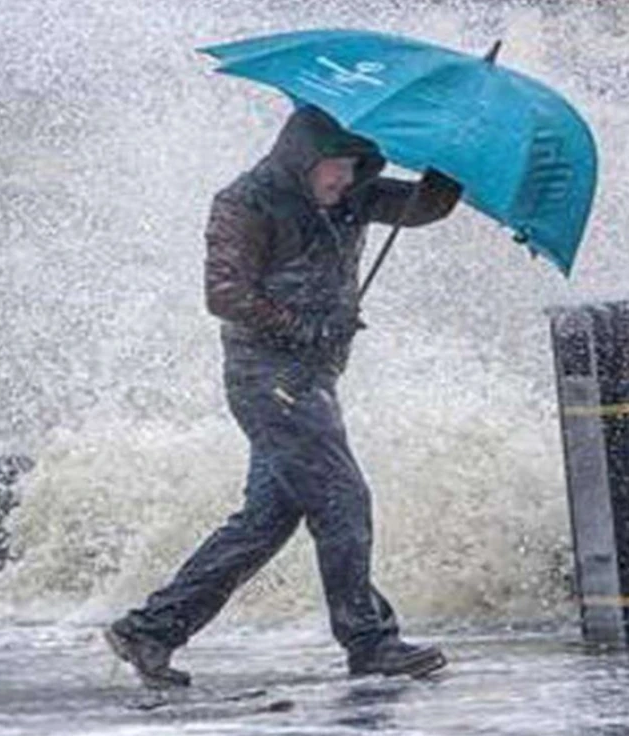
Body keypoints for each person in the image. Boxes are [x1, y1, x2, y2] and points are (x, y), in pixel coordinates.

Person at [104, 105, 462, 688]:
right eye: (336, 168)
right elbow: (223, 294)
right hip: (267, 378)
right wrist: (300, 327)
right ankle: (370, 642)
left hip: (313, 379)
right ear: (304, 158)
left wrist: (450, 158)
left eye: (354, 167)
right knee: (343, 499)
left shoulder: (355, 196)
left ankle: (150, 630)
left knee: (265, 521)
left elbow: (425, 206)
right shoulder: (245, 202)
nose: (344, 180)